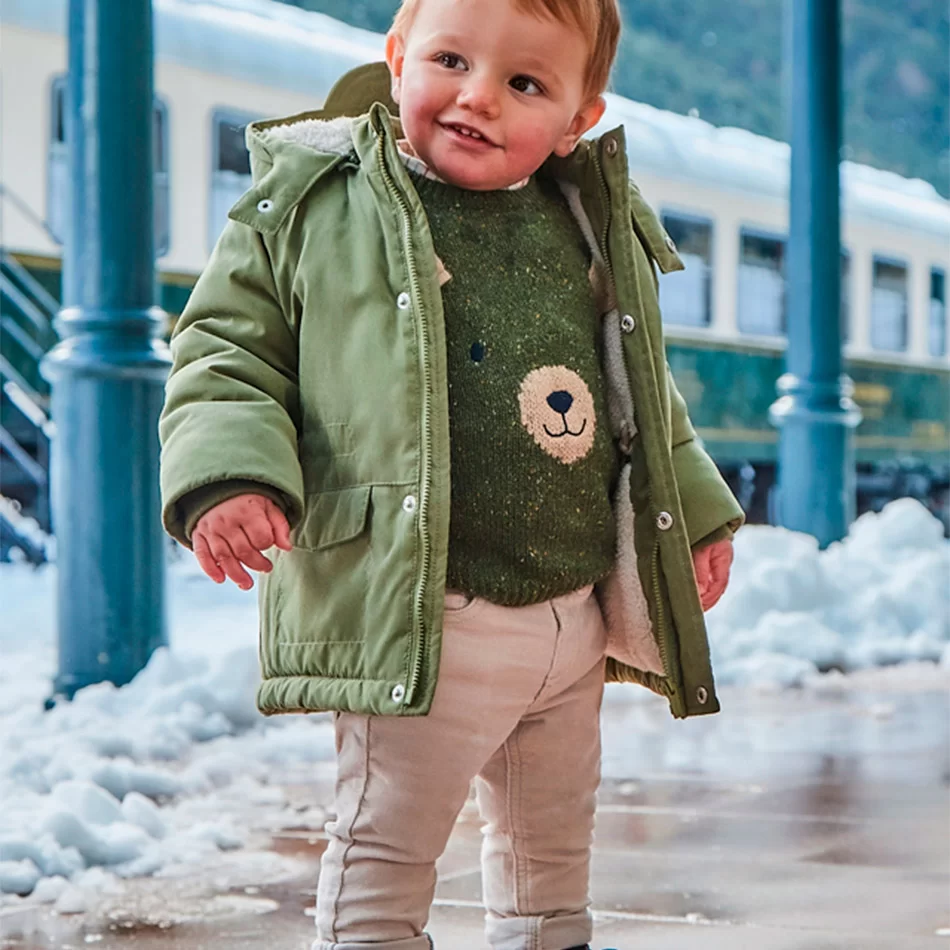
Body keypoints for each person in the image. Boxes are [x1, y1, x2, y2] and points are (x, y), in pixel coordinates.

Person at [159, 0, 744, 947]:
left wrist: (702, 514)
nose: (478, 97)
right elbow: (225, 352)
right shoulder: (321, 199)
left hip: (571, 619)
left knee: (550, 866)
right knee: (387, 850)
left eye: (525, 83)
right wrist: (228, 476)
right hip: (423, 614)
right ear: (397, 56)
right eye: (450, 59)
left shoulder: (584, 221)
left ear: (577, 119)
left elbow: (642, 392)